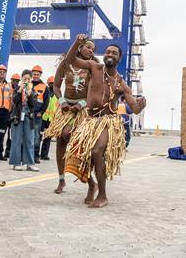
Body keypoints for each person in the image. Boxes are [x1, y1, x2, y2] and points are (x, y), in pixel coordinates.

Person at [63, 37, 146, 208]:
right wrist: (77, 44)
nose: (110, 54)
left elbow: (135, 109)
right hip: (89, 120)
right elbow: (69, 61)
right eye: (108, 51)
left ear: (119, 59)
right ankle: (92, 185)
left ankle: (102, 195)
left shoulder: (122, 84)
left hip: (108, 122)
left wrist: (140, 105)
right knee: (77, 153)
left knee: (97, 150)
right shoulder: (95, 67)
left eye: (114, 53)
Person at [46, 36, 96, 196]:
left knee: (75, 141)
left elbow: (95, 91)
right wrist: (61, 101)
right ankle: (61, 179)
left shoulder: (92, 66)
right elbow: (55, 85)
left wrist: (81, 105)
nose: (91, 50)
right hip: (66, 107)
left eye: (93, 49)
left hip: (82, 109)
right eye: (88, 47)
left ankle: (90, 182)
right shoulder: (66, 64)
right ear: (80, 48)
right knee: (61, 140)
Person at [9, 69, 40, 172]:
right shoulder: (17, 88)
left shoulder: (33, 90)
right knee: (16, 140)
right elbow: (14, 100)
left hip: (28, 117)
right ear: (21, 79)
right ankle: (15, 163)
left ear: (31, 80)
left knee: (29, 140)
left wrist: (30, 94)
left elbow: (33, 105)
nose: (26, 80)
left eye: (28, 78)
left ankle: (29, 163)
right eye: (24, 78)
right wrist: (19, 91)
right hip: (17, 116)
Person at [29, 65, 50, 162]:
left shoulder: (45, 87)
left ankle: (36, 156)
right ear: (31, 74)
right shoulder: (28, 84)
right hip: (27, 114)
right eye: (34, 74)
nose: (36, 76)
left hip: (37, 115)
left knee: (36, 136)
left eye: (37, 74)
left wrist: (41, 112)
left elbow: (46, 102)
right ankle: (25, 155)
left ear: (40, 75)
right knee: (26, 135)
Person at [39, 75, 57, 161]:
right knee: (38, 136)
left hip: (51, 120)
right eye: (51, 83)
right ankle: (36, 153)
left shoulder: (57, 95)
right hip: (42, 118)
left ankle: (44, 154)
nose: (52, 85)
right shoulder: (45, 92)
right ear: (48, 83)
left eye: (54, 83)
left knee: (48, 137)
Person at [3, 72, 20, 159]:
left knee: (11, 135)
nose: (16, 83)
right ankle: (1, 151)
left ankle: (8, 152)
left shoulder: (19, 90)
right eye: (14, 81)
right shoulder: (7, 87)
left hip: (14, 114)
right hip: (6, 113)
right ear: (11, 80)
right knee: (2, 133)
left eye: (17, 81)